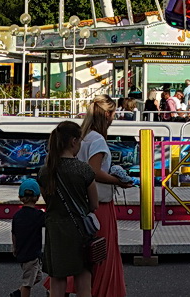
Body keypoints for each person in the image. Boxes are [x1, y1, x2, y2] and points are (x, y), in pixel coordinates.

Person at [79, 98, 133, 297]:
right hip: (99, 203)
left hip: (80, 201)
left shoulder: (81, 136)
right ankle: (102, 291)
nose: (114, 118)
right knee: (102, 253)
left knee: (81, 254)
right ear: (106, 115)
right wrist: (117, 181)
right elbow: (94, 171)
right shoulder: (97, 140)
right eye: (113, 113)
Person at [42, 120, 99, 297]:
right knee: (83, 280)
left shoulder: (46, 171)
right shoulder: (83, 169)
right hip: (79, 231)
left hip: (55, 229)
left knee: (57, 281)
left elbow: (47, 200)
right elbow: (94, 204)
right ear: (74, 141)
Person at [12, 178, 48, 297]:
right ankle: (22, 293)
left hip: (23, 252)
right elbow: (49, 221)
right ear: (37, 197)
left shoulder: (17, 216)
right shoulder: (38, 216)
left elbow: (14, 234)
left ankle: (18, 293)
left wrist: (14, 248)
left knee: (37, 276)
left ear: (20, 197)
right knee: (28, 283)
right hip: (32, 254)